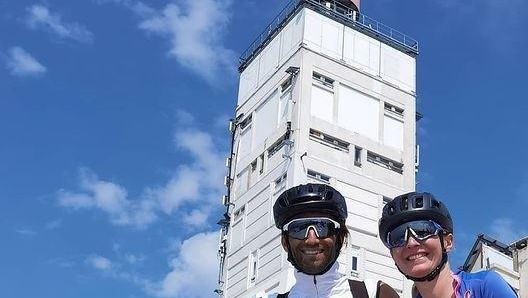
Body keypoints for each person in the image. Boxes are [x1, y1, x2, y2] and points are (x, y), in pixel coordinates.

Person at [378, 192, 518, 298]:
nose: (411, 242)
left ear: (447, 242)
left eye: (423, 230)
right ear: (393, 255)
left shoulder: (485, 287)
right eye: (398, 237)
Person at [273, 183, 400, 298]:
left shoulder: (376, 294)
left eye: (323, 227)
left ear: (340, 237)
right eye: (298, 228)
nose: (312, 240)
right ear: (285, 242)